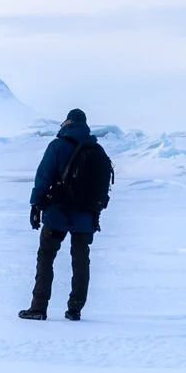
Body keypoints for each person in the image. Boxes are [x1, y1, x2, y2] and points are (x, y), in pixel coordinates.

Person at [20, 108, 113, 321]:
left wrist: (36, 204)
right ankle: (75, 309)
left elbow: (43, 176)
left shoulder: (57, 146)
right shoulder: (96, 150)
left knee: (46, 257)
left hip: (58, 213)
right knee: (81, 260)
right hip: (86, 216)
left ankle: (38, 307)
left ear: (67, 122)